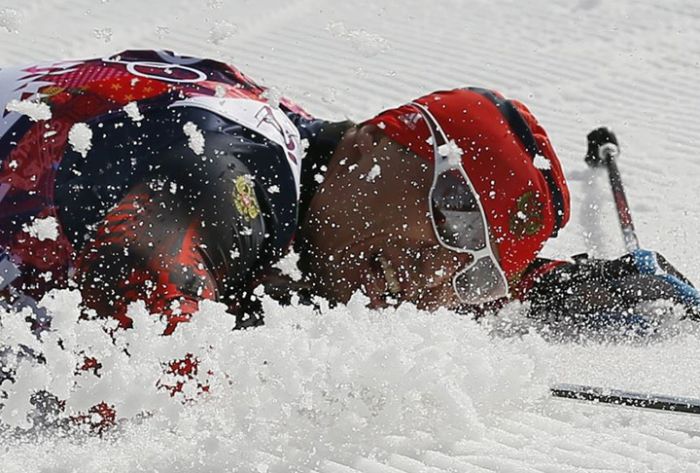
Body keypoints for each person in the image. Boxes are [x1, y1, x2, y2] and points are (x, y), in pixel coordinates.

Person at [0, 49, 698, 339]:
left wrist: (548, 285)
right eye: (452, 216)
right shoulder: (234, 169)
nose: (434, 270)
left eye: (476, 268)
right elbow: (123, 349)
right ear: (371, 141)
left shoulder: (325, 181)